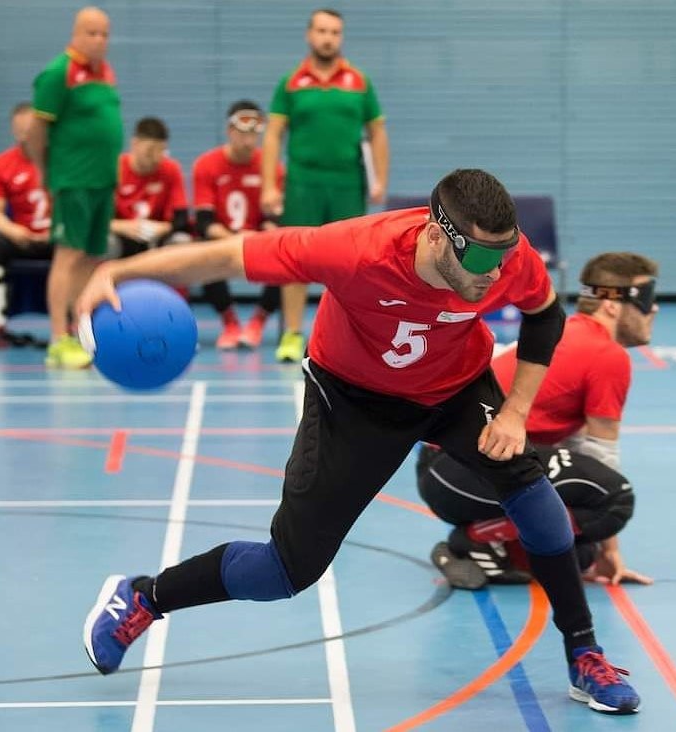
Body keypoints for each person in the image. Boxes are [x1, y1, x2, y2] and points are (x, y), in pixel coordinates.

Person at [79, 169, 640, 715]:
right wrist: (119, 271)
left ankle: (584, 653)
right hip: (353, 403)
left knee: (539, 504)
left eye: (504, 255)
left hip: (457, 390)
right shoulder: (355, 250)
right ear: (435, 233)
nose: (494, 274)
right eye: (479, 258)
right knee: (285, 573)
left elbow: (544, 316)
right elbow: (232, 254)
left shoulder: (504, 259)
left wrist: (516, 410)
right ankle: (144, 597)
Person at [416, 252, 660, 590]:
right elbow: (603, 464)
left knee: (579, 554)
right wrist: (612, 545)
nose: (654, 309)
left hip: (453, 471)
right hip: (459, 468)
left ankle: (475, 552)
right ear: (611, 304)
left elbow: (577, 454)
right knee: (616, 499)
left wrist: (599, 548)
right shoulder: (606, 354)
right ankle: (473, 539)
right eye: (646, 299)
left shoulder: (571, 335)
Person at [260, 7, 390, 363]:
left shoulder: (359, 81)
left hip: (347, 182)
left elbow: (377, 133)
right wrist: (269, 185)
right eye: (321, 31)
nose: (327, 38)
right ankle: (291, 334)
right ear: (309, 35)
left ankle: (352, 335)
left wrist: (379, 178)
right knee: (295, 257)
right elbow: (273, 135)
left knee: (351, 263)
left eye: (334, 32)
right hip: (302, 181)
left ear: (341, 37)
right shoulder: (291, 81)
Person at [26, 6, 123, 369]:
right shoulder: (57, 73)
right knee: (67, 256)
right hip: (73, 180)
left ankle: (81, 330)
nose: (99, 40)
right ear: (76, 33)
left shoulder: (105, 73)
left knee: (91, 257)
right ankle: (57, 339)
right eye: (91, 33)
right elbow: (37, 130)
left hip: (102, 181)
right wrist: (45, 172)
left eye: (104, 34)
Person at [192, 101, 285, 349]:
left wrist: (257, 238)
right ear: (230, 131)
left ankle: (258, 321)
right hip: (222, 238)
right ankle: (230, 322)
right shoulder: (206, 164)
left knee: (287, 254)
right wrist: (233, 240)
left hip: (257, 240)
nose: (248, 139)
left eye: (254, 133)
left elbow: (274, 220)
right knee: (202, 251)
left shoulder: (271, 167)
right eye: (242, 132)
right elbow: (204, 222)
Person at [0, 102, 53, 351]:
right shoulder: (2, 164)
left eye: (31, 128)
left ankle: (71, 324)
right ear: (14, 131)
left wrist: (58, 231)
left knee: (81, 250)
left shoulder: (61, 161)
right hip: (22, 238)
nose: (26, 134)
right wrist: (13, 231)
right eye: (21, 129)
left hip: (57, 237)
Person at [110, 116, 190, 258]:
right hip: (121, 236)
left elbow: (181, 218)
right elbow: (96, 220)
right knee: (105, 243)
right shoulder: (113, 169)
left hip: (156, 238)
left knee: (182, 242)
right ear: (134, 144)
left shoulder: (171, 169)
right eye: (150, 151)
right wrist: (123, 227)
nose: (156, 158)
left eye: (161, 151)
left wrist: (163, 228)